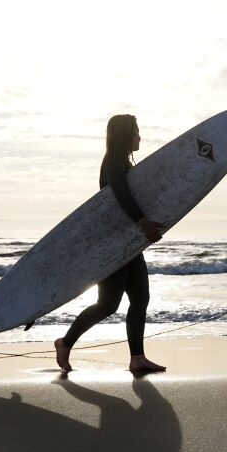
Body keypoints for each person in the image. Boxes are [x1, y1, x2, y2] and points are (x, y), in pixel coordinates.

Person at [55, 114, 166, 374]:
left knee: (140, 298)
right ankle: (65, 342)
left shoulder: (122, 161)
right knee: (108, 305)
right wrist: (142, 221)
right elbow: (121, 194)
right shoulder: (114, 163)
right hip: (115, 246)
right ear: (126, 134)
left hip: (128, 243)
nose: (140, 136)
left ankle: (137, 358)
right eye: (137, 131)